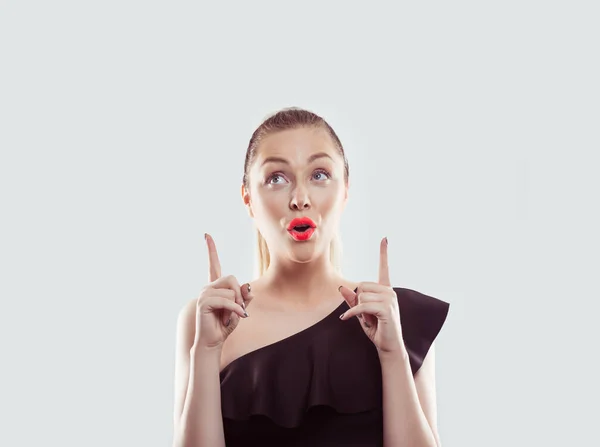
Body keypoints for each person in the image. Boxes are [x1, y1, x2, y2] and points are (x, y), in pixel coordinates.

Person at [172, 107, 450, 447]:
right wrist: (207, 350)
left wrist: (393, 354)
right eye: (276, 178)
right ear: (248, 199)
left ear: (345, 190)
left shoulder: (399, 315)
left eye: (319, 175)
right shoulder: (206, 320)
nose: (300, 199)